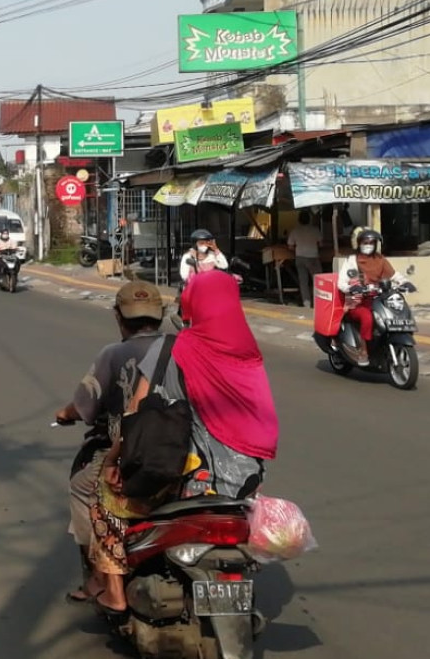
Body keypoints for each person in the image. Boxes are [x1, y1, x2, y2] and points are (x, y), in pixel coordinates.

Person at [85, 271, 278, 616]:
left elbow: (136, 412)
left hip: (183, 482)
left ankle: (114, 590)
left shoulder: (176, 348)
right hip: (244, 487)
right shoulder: (250, 356)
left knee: (105, 496)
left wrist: (113, 460)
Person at [54, 281, 168, 603]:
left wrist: (66, 413)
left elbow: (86, 404)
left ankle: (103, 576)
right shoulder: (181, 348)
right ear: (161, 315)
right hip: (184, 451)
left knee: (83, 485)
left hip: (124, 452)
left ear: (119, 317)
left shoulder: (114, 353)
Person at [337, 228, 396, 364]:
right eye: (365, 242)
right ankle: (363, 350)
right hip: (357, 302)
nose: (368, 245)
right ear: (359, 243)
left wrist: (405, 282)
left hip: (378, 300)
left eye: (371, 242)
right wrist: (352, 287)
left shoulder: (380, 260)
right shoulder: (352, 261)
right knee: (367, 317)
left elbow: (393, 275)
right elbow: (341, 282)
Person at [287, 215, 322, 308]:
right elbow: (321, 243)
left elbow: (290, 246)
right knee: (317, 281)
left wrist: (299, 248)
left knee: (303, 282)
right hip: (313, 257)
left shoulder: (295, 231)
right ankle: (318, 302)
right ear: (309, 220)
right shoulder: (315, 230)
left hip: (300, 258)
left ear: (299, 221)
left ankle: (306, 303)